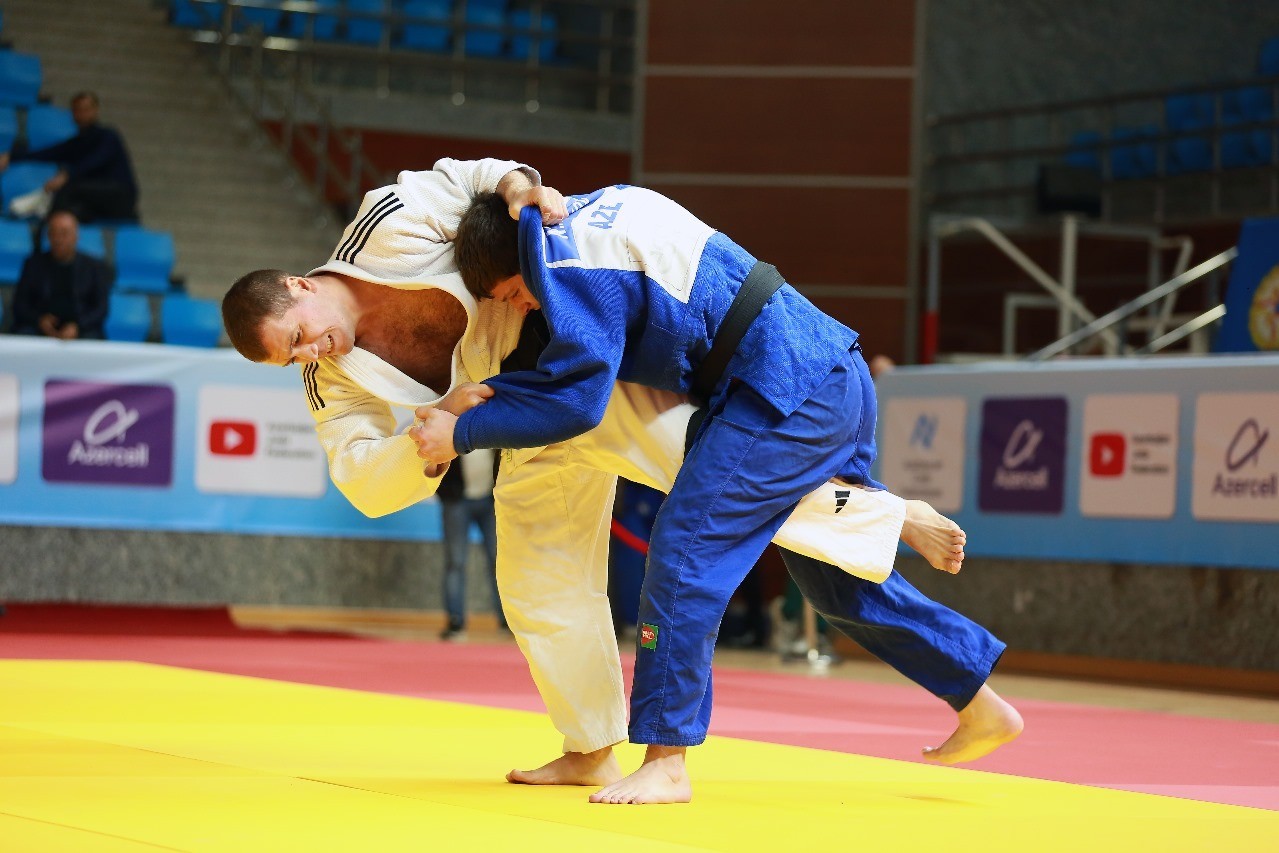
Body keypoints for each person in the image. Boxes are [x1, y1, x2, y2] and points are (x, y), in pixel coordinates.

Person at [220, 158, 1011, 798]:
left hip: (591, 371)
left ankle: (869, 514)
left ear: (299, 284)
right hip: (515, 412)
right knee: (534, 580)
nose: (307, 354)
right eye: (288, 356)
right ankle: (591, 744)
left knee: (710, 497)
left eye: (297, 335)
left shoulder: (386, 220)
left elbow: (482, 179)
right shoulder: (333, 383)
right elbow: (363, 479)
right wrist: (434, 440)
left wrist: (518, 186)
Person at [0, 91, 139, 223]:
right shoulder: (76, 143)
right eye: (77, 110)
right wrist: (11, 156)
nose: (82, 114)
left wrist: (67, 175)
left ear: (96, 110)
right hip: (91, 201)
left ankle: (44, 210)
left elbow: (96, 160)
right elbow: (47, 153)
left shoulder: (109, 136)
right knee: (70, 209)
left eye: (86, 109)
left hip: (119, 196)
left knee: (68, 189)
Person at [10, 210, 112, 339]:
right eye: (53, 233)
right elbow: (20, 304)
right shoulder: (33, 264)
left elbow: (101, 308)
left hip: (81, 328)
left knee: (94, 338)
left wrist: (78, 326)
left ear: (76, 235)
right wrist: (39, 320)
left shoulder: (94, 267)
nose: (58, 239)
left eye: (64, 234)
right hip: (38, 327)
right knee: (23, 335)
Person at [436, 448, 504, 640]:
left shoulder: (493, 421)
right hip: (456, 502)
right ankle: (455, 621)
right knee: (455, 562)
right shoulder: (449, 421)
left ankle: (507, 620)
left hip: (490, 500)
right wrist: (446, 494)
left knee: (499, 561)